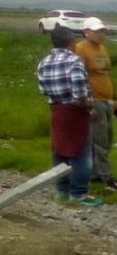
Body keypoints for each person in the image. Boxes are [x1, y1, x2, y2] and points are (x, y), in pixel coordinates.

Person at [36, 24, 102, 206]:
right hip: (76, 112)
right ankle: (79, 193)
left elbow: (43, 90)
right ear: (71, 43)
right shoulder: (74, 61)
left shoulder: (44, 62)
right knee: (80, 154)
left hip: (57, 110)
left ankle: (61, 190)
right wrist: (90, 107)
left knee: (60, 151)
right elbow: (80, 94)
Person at [74, 16, 117, 192]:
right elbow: (79, 77)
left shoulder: (102, 48)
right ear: (86, 32)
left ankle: (93, 173)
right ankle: (108, 177)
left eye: (102, 31)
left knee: (108, 139)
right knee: (99, 141)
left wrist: (116, 98)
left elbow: (107, 74)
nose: (100, 34)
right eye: (96, 31)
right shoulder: (80, 49)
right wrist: (88, 103)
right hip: (94, 100)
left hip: (107, 100)